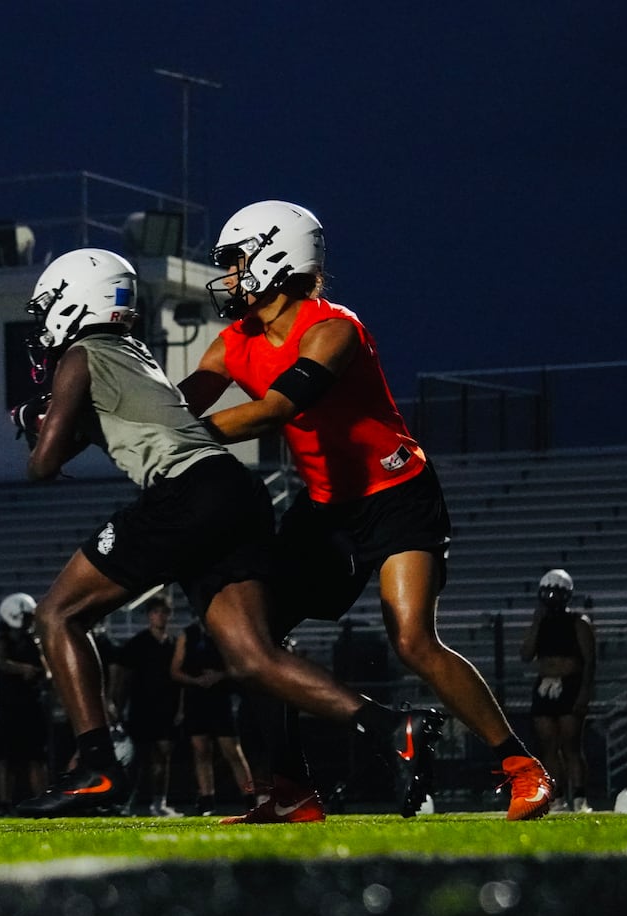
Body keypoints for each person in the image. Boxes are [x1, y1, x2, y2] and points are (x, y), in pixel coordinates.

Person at [7, 247, 441, 820]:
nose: (44, 324)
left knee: (57, 615)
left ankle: (96, 767)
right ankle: (392, 725)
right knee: (251, 657)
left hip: (186, 494)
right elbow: (133, 422)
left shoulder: (80, 357)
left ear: (71, 302)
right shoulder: (135, 354)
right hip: (235, 491)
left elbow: (42, 464)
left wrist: (33, 422)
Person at [179, 200, 554, 822]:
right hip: (326, 508)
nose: (232, 275)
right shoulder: (233, 341)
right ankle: (291, 790)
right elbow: (183, 404)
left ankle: (520, 765)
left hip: (396, 494)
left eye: (239, 261)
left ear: (276, 258)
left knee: (412, 639)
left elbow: (277, 409)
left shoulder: (335, 328)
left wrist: (184, 437)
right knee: (255, 641)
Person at [519, 570, 595, 812]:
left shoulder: (578, 622)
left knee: (571, 745)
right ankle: (558, 797)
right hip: (545, 684)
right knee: (548, 746)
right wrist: (536, 622)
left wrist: (584, 693)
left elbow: (589, 661)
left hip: (569, 684)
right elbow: (526, 654)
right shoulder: (541, 622)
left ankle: (580, 798)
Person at [170, 618, 255, 816]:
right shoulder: (187, 635)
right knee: (201, 751)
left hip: (220, 700)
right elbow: (175, 670)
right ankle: (206, 799)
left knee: (232, 751)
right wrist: (196, 680)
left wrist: (220, 675)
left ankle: (250, 798)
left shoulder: (224, 631)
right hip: (196, 700)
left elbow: (240, 666)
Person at [109, 595, 184, 815]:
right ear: (149, 616)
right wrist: (117, 706)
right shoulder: (138, 643)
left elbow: (180, 681)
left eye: (164, 612)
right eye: (156, 612)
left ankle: (159, 803)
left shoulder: (174, 644)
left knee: (163, 756)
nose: (160, 617)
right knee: (138, 760)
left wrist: (180, 709)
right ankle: (126, 803)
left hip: (167, 708)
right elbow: (124, 678)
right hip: (142, 708)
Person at [0, 592, 51, 812]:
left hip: (31, 707)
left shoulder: (34, 642)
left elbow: (47, 673)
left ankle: (42, 800)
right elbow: (1, 662)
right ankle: (5, 803)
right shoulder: (1, 641)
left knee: (36, 758)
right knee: (6, 758)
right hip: (9, 707)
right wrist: (24, 669)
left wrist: (38, 672)